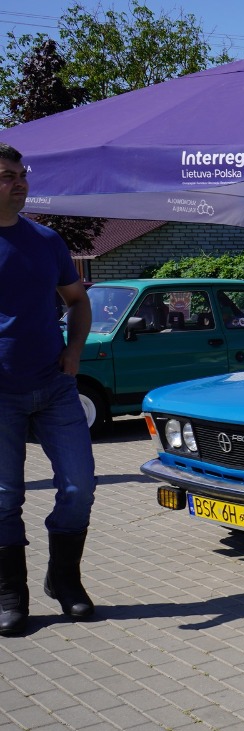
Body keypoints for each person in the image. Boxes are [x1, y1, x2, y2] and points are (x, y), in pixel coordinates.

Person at [0, 143, 95, 637]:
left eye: (21, 174)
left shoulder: (46, 240)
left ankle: (64, 580)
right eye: (6, 175)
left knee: (80, 486)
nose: (19, 182)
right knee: (3, 498)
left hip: (54, 386)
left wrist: (74, 349)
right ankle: (10, 593)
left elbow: (77, 300)